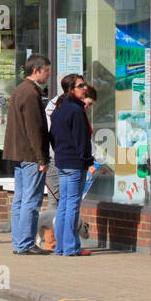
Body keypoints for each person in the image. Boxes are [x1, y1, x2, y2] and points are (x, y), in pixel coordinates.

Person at [4, 54, 52, 254]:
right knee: (31, 201)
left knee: (20, 199)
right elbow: (35, 129)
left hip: (18, 153)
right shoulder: (32, 94)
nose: (48, 75)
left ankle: (19, 242)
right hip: (30, 155)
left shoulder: (19, 91)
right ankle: (25, 243)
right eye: (46, 71)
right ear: (36, 70)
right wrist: (42, 158)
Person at [50, 74, 94, 256]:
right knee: (72, 206)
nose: (85, 88)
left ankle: (61, 247)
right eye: (81, 85)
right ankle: (71, 247)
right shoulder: (76, 111)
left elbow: (51, 136)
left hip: (62, 161)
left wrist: (59, 153)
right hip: (75, 163)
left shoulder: (58, 109)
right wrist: (88, 161)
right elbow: (82, 141)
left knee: (63, 205)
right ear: (71, 89)